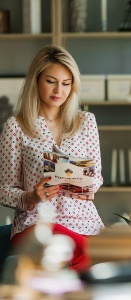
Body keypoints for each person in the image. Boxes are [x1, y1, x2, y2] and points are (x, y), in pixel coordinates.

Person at [0, 45, 104, 272]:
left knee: (98, 255)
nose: (59, 90)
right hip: (38, 223)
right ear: (36, 81)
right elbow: (4, 190)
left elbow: (96, 180)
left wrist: (84, 184)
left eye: (66, 84)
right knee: (80, 251)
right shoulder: (16, 127)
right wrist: (31, 196)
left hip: (84, 222)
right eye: (51, 81)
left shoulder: (86, 122)